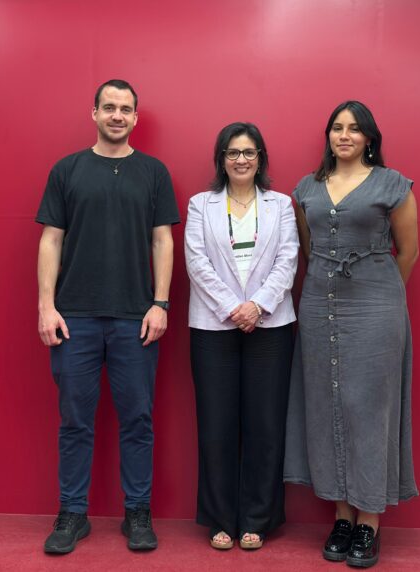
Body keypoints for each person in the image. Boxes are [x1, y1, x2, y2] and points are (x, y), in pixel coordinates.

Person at [36, 79, 180, 554]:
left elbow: (163, 240)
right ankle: (72, 514)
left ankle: (137, 512)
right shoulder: (67, 170)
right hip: (74, 317)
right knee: (75, 420)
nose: (117, 115)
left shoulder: (154, 173)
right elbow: (51, 240)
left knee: (137, 419)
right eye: (109, 107)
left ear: (136, 117)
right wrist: (46, 305)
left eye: (126, 109)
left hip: (135, 318)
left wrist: (160, 304)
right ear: (94, 113)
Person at [283, 101, 419, 569]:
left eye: (354, 129)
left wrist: (377, 291)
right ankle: (341, 517)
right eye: (338, 128)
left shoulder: (393, 184)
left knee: (369, 408)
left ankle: (369, 522)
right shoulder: (307, 188)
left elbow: (410, 251)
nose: (345, 135)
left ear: (369, 138)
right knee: (327, 405)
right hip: (319, 306)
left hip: (378, 307)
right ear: (329, 136)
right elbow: (308, 247)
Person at [185, 122, 299, 551]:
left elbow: (288, 260)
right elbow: (196, 262)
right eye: (233, 152)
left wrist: (258, 306)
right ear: (221, 159)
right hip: (213, 326)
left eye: (249, 152)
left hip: (271, 326)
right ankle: (219, 518)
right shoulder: (201, 205)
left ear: (261, 158)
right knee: (216, 425)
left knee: (265, 425)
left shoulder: (281, 205)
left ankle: (257, 517)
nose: (241, 159)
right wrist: (233, 308)